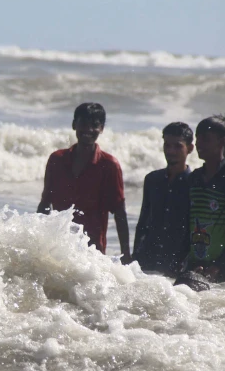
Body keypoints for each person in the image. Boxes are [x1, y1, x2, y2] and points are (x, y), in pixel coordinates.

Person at [37, 103, 131, 264]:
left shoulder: (109, 165)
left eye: (94, 125)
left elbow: (119, 213)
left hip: (92, 251)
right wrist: (37, 242)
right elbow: (45, 205)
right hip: (58, 246)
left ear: (101, 129)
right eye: (83, 124)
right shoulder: (57, 160)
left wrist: (126, 255)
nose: (88, 130)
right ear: (74, 125)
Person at [184, 114, 225, 283]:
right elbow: (185, 226)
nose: (199, 143)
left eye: (205, 139)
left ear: (222, 142)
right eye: (198, 138)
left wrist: (217, 267)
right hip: (197, 267)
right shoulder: (193, 179)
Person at [133, 122, 194, 276]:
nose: (171, 151)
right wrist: (134, 258)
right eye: (167, 145)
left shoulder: (196, 183)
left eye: (178, 146)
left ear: (190, 148)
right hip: (147, 261)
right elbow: (142, 224)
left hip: (178, 265)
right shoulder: (152, 179)